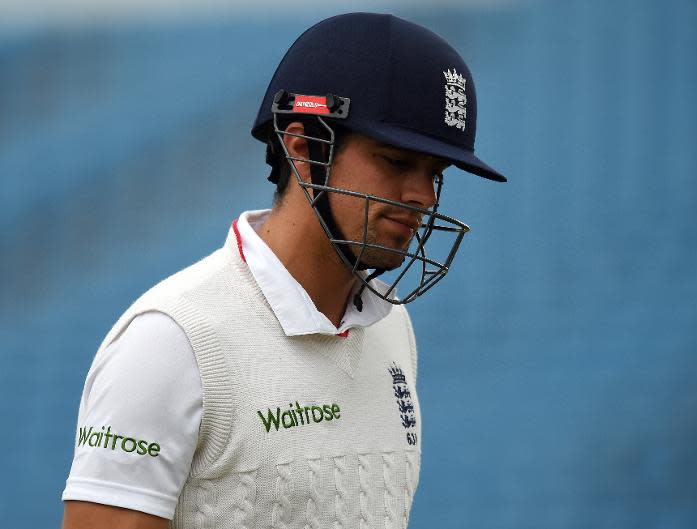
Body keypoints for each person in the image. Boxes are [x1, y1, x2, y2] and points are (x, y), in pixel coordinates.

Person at [61, 12, 505, 529]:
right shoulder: (169, 342)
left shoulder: (391, 329)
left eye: (435, 173)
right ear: (302, 145)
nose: (422, 196)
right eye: (396, 161)